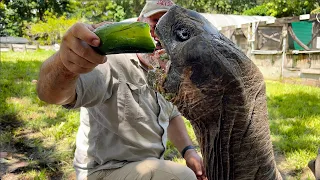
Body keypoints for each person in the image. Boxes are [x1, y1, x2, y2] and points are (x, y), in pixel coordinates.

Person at [36, 0, 207, 179]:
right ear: (139, 22)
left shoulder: (166, 69)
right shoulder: (110, 61)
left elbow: (171, 115)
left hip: (149, 168)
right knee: (182, 177)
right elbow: (51, 95)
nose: (161, 32)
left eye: (169, 25)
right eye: (156, 21)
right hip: (106, 170)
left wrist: (189, 151)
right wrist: (66, 64)